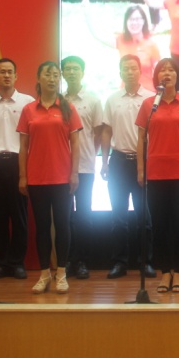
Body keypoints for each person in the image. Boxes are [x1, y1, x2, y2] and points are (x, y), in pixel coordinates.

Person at [136, 58, 179, 294]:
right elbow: (141, 139)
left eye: (171, 70)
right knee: (160, 225)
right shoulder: (148, 105)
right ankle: (165, 272)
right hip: (156, 172)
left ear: (177, 76)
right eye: (162, 70)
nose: (167, 73)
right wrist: (141, 169)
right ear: (156, 77)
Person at [17, 61, 82, 294]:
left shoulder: (67, 108)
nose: (53, 78)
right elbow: (23, 146)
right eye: (48, 74)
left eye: (56, 75)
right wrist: (22, 176)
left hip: (62, 177)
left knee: (63, 225)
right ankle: (44, 273)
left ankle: (61, 273)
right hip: (36, 178)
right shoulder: (28, 110)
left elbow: (76, 143)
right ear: (39, 78)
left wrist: (74, 173)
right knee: (42, 227)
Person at [101, 54, 155, 279]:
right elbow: (106, 131)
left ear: (140, 71)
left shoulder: (151, 98)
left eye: (133, 68)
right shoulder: (112, 99)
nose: (130, 72)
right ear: (120, 72)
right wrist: (104, 161)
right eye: (126, 68)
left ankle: (146, 262)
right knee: (119, 216)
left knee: (145, 217)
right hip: (119, 161)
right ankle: (119, 262)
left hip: (145, 162)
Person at [0, 58, 34, 281]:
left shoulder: (28, 102)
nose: (6, 75)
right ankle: (2, 263)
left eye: (10, 72)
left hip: (18, 162)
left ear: (16, 76)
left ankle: (17, 263)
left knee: (20, 216)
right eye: (2, 72)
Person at [61, 56, 103, 280]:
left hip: (85, 165)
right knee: (65, 216)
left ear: (83, 72)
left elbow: (98, 133)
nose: (71, 72)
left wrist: (89, 154)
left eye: (75, 69)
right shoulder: (58, 100)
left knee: (84, 215)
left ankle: (82, 261)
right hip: (60, 167)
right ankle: (67, 260)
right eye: (67, 69)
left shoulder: (93, 100)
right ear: (62, 73)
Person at [115, 5, 161, 90]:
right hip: (126, 92)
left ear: (143, 21)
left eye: (137, 19)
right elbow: (98, 35)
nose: (134, 23)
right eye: (131, 19)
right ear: (126, 22)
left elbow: (159, 72)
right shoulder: (121, 40)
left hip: (147, 93)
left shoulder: (151, 45)